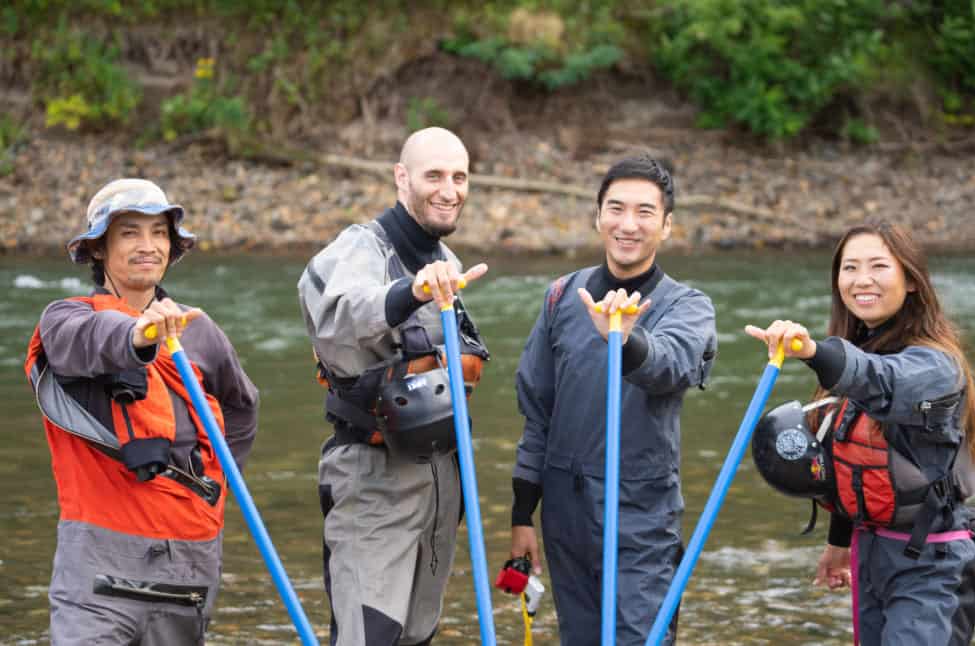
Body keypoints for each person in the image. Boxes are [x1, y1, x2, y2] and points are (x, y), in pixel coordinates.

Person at [24, 178, 260, 644]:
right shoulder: (66, 319)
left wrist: (209, 490)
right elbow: (92, 341)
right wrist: (139, 337)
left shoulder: (201, 330)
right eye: (130, 233)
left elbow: (242, 409)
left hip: (188, 559)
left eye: (159, 232)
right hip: (97, 566)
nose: (148, 246)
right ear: (98, 249)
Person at [745, 218, 975, 645]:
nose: (861, 281)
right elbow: (849, 459)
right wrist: (840, 542)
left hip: (931, 567)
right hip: (871, 555)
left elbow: (880, 380)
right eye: (850, 268)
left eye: (878, 267)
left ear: (911, 280)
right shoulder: (858, 354)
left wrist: (812, 351)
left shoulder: (934, 365)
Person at [508, 155, 718, 645]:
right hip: (565, 513)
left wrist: (624, 339)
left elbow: (671, 365)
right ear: (597, 216)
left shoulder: (688, 306)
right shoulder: (561, 297)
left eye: (645, 212)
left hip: (640, 515)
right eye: (616, 209)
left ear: (666, 226)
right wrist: (522, 515)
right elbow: (537, 412)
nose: (628, 224)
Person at [298, 127, 489, 646]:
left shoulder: (448, 263)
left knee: (417, 635)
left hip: (439, 488)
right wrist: (411, 290)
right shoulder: (358, 248)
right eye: (434, 176)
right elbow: (333, 314)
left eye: (459, 177)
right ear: (401, 178)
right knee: (369, 635)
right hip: (374, 481)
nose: (449, 190)